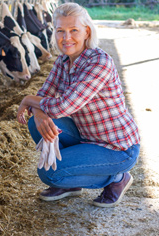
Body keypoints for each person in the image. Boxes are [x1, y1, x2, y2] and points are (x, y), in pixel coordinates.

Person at [17, 2, 140, 207]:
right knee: (34, 124)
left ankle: (118, 179)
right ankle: (72, 183)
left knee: (50, 173)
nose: (66, 38)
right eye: (60, 31)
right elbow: (45, 94)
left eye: (74, 30)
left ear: (87, 32)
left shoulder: (98, 62)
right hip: (87, 135)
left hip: (117, 147)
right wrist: (37, 111)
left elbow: (63, 107)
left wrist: (28, 100)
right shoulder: (63, 60)